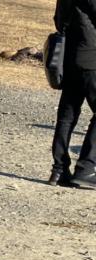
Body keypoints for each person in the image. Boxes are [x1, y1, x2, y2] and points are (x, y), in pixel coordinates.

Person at [50, 0, 96, 188]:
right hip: (91, 58)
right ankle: (86, 168)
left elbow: (58, 20)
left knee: (67, 117)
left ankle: (59, 170)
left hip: (68, 58)